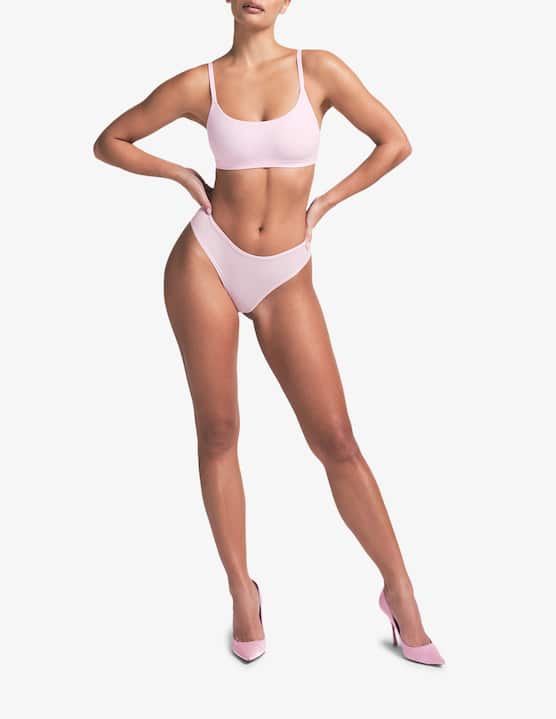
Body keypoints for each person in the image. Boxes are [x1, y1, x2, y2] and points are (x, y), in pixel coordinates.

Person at [93, 0, 444, 666]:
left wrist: (327, 202)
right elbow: (110, 140)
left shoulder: (320, 70)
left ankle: (401, 592)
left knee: (336, 439)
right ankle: (242, 593)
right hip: (206, 260)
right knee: (218, 430)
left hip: (286, 271)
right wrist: (180, 174)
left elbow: (395, 142)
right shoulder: (200, 83)